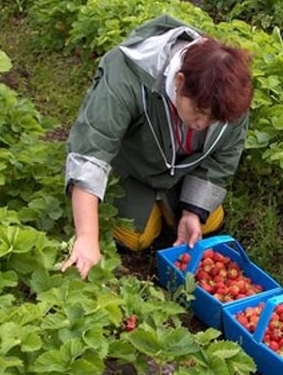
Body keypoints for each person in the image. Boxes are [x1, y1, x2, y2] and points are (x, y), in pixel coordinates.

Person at [60, 14, 254, 279]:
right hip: (135, 166)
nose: (202, 124)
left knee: (208, 222)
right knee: (135, 237)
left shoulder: (230, 96)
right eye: (198, 111)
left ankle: (175, 208)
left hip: (181, 170)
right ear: (179, 82)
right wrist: (87, 237)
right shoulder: (128, 74)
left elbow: (222, 159)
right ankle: (149, 205)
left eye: (213, 119)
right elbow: (92, 149)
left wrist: (193, 211)